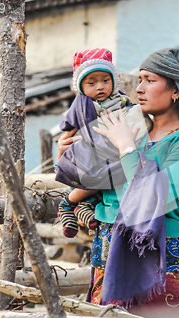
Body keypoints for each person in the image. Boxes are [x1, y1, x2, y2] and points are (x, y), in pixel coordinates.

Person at [58, 48, 179, 318]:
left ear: (177, 90)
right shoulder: (131, 130)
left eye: (150, 80)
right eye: (139, 79)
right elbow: (87, 178)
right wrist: (65, 152)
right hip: (106, 248)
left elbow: (155, 198)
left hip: (155, 257)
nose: (139, 88)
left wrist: (126, 147)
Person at [55, 48, 150, 238]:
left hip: (112, 155)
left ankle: (83, 208)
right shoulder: (82, 106)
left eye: (105, 81)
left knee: (110, 178)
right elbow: (68, 133)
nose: (100, 87)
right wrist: (61, 156)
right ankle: (67, 204)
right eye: (92, 83)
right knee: (99, 178)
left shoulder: (121, 101)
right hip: (90, 156)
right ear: (81, 87)